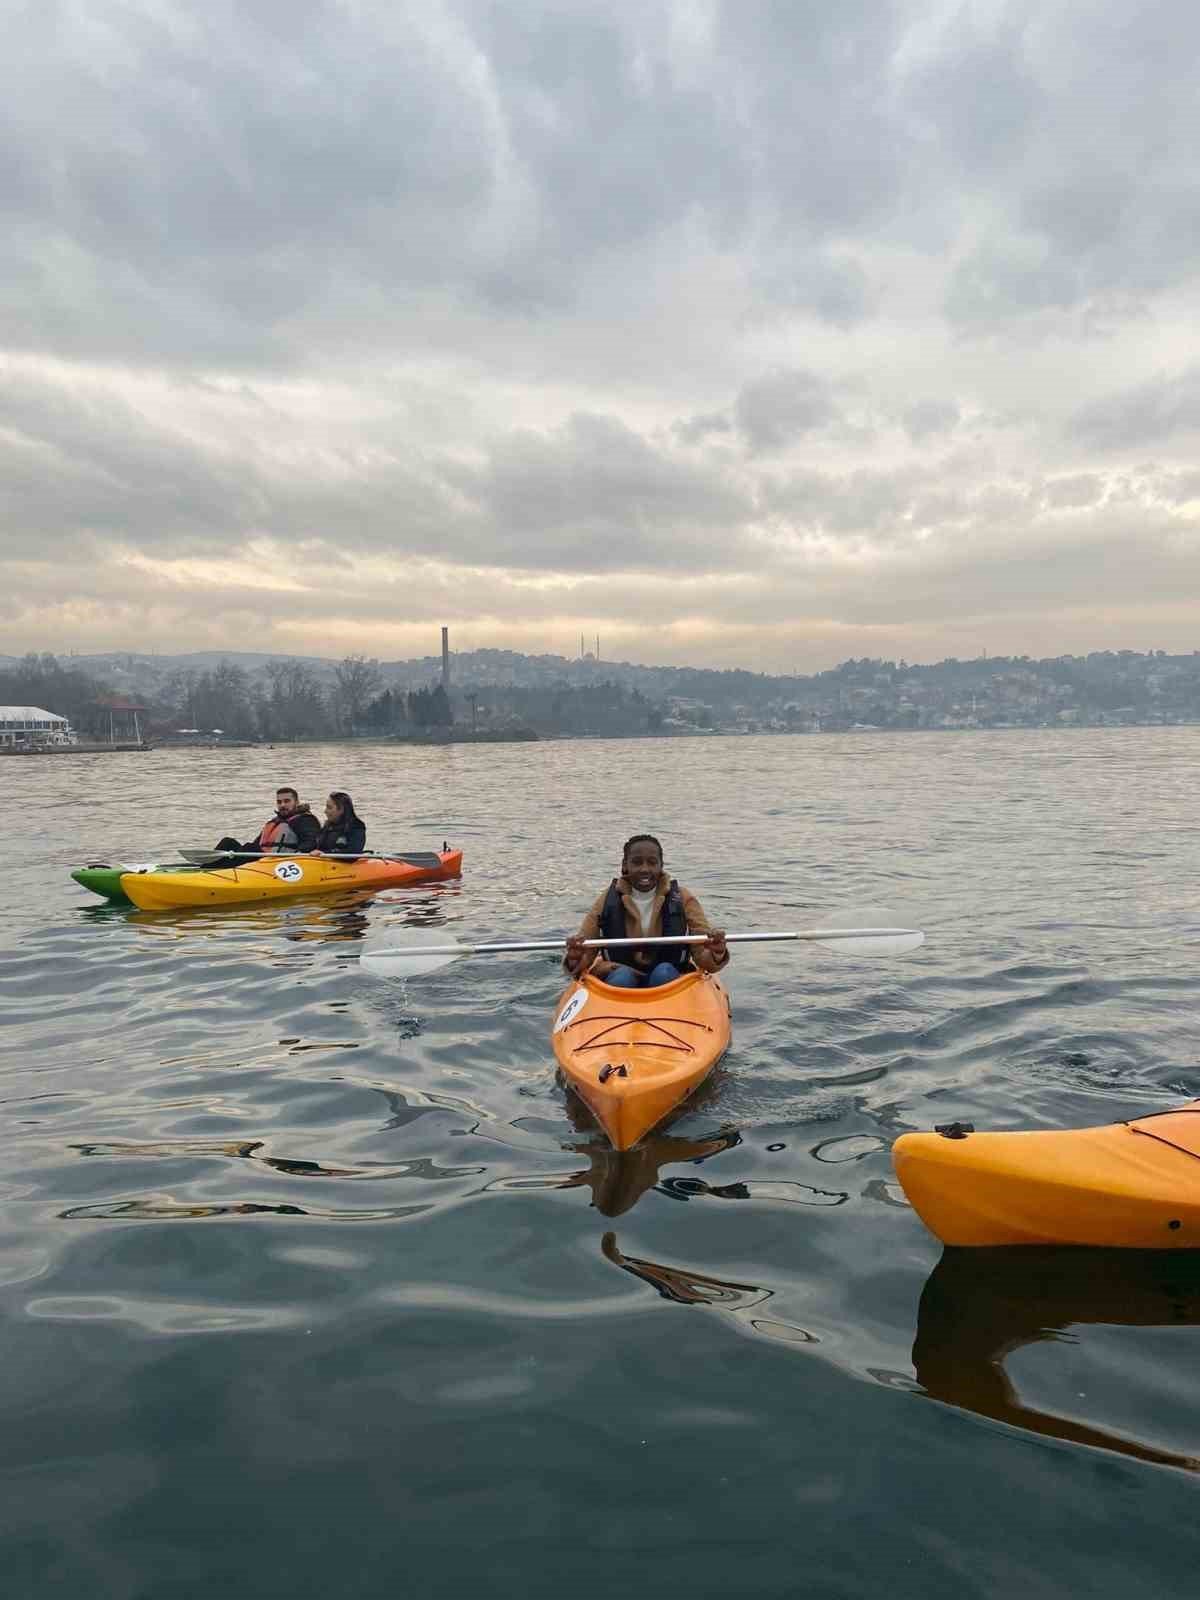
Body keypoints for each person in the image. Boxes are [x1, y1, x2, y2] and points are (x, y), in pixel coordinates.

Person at [564, 834, 728, 988]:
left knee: (662, 973)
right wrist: (575, 957)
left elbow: (703, 956)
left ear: (661, 865)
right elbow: (585, 951)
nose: (644, 869)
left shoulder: (684, 898)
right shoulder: (607, 899)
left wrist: (716, 952)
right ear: (624, 865)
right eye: (637, 862)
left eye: (652, 862)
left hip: (670, 979)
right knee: (622, 978)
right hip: (619, 975)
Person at [215, 786, 320, 856]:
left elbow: (311, 843)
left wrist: (297, 853)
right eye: (279, 802)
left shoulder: (305, 820)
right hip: (261, 859)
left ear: (296, 802)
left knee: (250, 848)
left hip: (277, 862)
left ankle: (215, 869)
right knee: (227, 842)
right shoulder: (274, 821)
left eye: (287, 801)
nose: (282, 805)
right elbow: (258, 843)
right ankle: (205, 866)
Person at [310, 791, 367, 858]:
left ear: (341, 809)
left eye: (329, 808)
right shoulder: (328, 827)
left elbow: (353, 852)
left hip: (344, 865)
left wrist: (325, 854)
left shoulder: (356, 826)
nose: (325, 811)